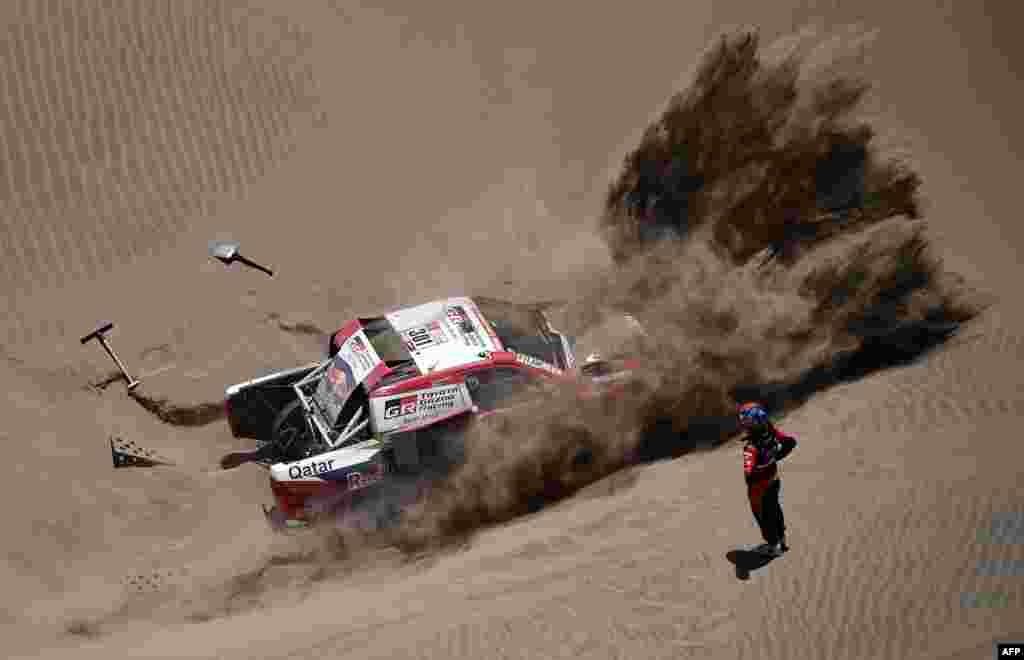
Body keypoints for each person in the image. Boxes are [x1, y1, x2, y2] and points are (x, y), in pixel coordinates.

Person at [739, 401, 797, 557]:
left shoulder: (750, 448)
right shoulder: (772, 432)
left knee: (763, 516)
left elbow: (749, 473)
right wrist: (774, 458)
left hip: (759, 488)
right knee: (775, 508)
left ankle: (773, 547)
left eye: (745, 422)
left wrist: (760, 468)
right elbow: (791, 442)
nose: (744, 425)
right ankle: (782, 540)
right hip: (774, 479)